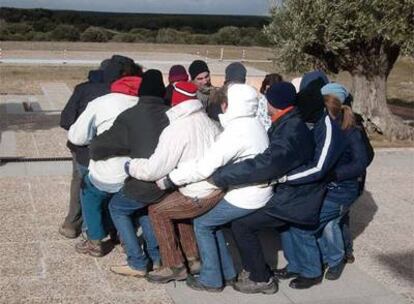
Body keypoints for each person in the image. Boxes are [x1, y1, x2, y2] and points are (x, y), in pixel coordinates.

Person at [209, 82, 325, 294]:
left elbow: (266, 164)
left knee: (242, 225)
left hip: (295, 198)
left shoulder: (290, 130)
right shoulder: (287, 122)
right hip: (291, 193)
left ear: (273, 103)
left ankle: (261, 279)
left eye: (266, 99)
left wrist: (223, 176)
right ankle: (270, 268)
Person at [161, 84, 273, 292]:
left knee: (203, 223)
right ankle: (228, 272)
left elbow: (205, 167)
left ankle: (211, 279)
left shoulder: (237, 131)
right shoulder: (254, 123)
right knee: (213, 221)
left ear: (228, 105)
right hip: (258, 190)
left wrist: (172, 178)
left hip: (246, 196)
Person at [125, 81, 222, 283]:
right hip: (215, 189)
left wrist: (131, 166)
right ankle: (193, 257)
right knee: (176, 206)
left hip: (199, 193)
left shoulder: (178, 128)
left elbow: (154, 170)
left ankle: (174, 265)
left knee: (158, 211)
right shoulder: (207, 121)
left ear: (175, 101)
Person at [88, 70, 169, 277]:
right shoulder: (170, 113)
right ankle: (157, 258)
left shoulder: (132, 115)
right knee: (143, 210)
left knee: (118, 207)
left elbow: (102, 144)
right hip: (168, 182)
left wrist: (96, 149)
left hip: (145, 180)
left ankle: (137, 262)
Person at [68, 62, 142, 257]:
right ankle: (123, 235)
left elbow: (76, 137)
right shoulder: (143, 102)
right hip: (136, 172)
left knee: (89, 192)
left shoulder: (101, 103)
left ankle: (95, 240)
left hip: (107, 172)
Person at [59, 56, 132, 238]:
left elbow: (66, 120)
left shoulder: (83, 89)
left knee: (81, 183)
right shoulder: (127, 96)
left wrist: (83, 131)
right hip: (115, 153)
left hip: (83, 149)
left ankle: (74, 224)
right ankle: (113, 228)